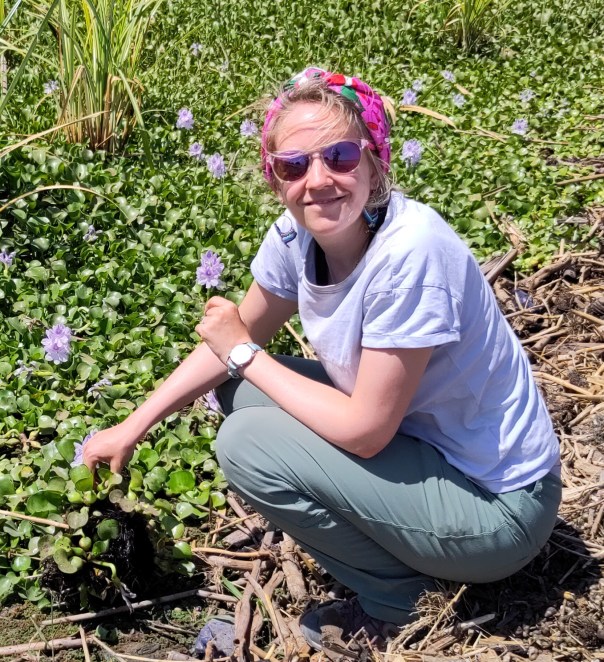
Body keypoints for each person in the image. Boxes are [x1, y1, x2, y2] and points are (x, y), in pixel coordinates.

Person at [83, 67, 561, 650]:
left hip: (500, 510)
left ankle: (397, 600)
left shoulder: (411, 252)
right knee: (239, 391)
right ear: (274, 177)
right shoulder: (297, 236)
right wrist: (131, 427)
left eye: (339, 156)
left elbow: (363, 431)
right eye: (293, 165)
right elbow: (226, 351)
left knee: (246, 443)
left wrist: (243, 350)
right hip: (425, 447)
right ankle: (405, 556)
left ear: (374, 161)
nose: (318, 180)